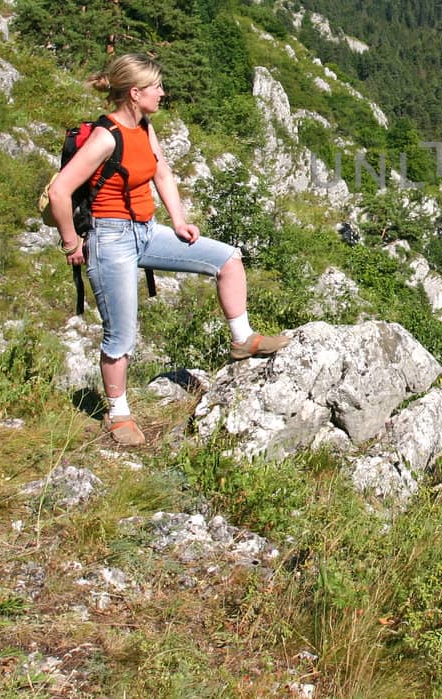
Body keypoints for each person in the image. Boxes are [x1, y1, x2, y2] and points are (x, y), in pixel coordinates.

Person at [45, 53, 287, 446]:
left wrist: (178, 220)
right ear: (135, 92)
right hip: (110, 239)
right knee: (121, 336)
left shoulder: (144, 126)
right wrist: (72, 242)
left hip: (145, 230)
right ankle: (118, 413)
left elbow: (161, 171)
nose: (162, 92)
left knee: (228, 259)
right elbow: (59, 190)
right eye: (155, 86)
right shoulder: (107, 137)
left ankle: (242, 340)